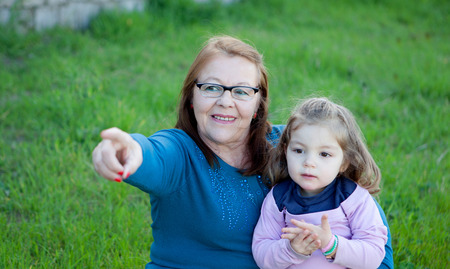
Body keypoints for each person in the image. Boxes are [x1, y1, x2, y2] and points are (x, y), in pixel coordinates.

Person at [92, 36, 393, 268]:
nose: (225, 101)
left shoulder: (292, 148)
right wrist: (125, 150)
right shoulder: (180, 152)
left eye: (241, 91)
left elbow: (366, 218)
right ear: (191, 97)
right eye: (211, 87)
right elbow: (151, 154)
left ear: (258, 104)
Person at [252, 97, 389, 269]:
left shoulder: (353, 198)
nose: (309, 162)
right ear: (286, 151)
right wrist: (291, 249)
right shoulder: (278, 198)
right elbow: (261, 252)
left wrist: (331, 244)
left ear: (344, 162)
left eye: (324, 154)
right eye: (299, 150)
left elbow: (374, 254)